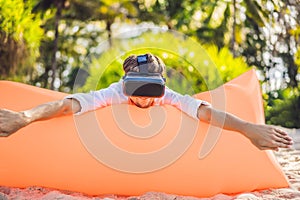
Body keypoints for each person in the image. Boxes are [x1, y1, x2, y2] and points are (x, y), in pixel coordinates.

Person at [0, 53, 293, 151]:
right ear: (124, 84)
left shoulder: (168, 97)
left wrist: (248, 129)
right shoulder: (115, 92)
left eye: (150, 90)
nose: (141, 97)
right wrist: (23, 118)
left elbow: (206, 113)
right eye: (135, 89)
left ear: (161, 87)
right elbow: (66, 105)